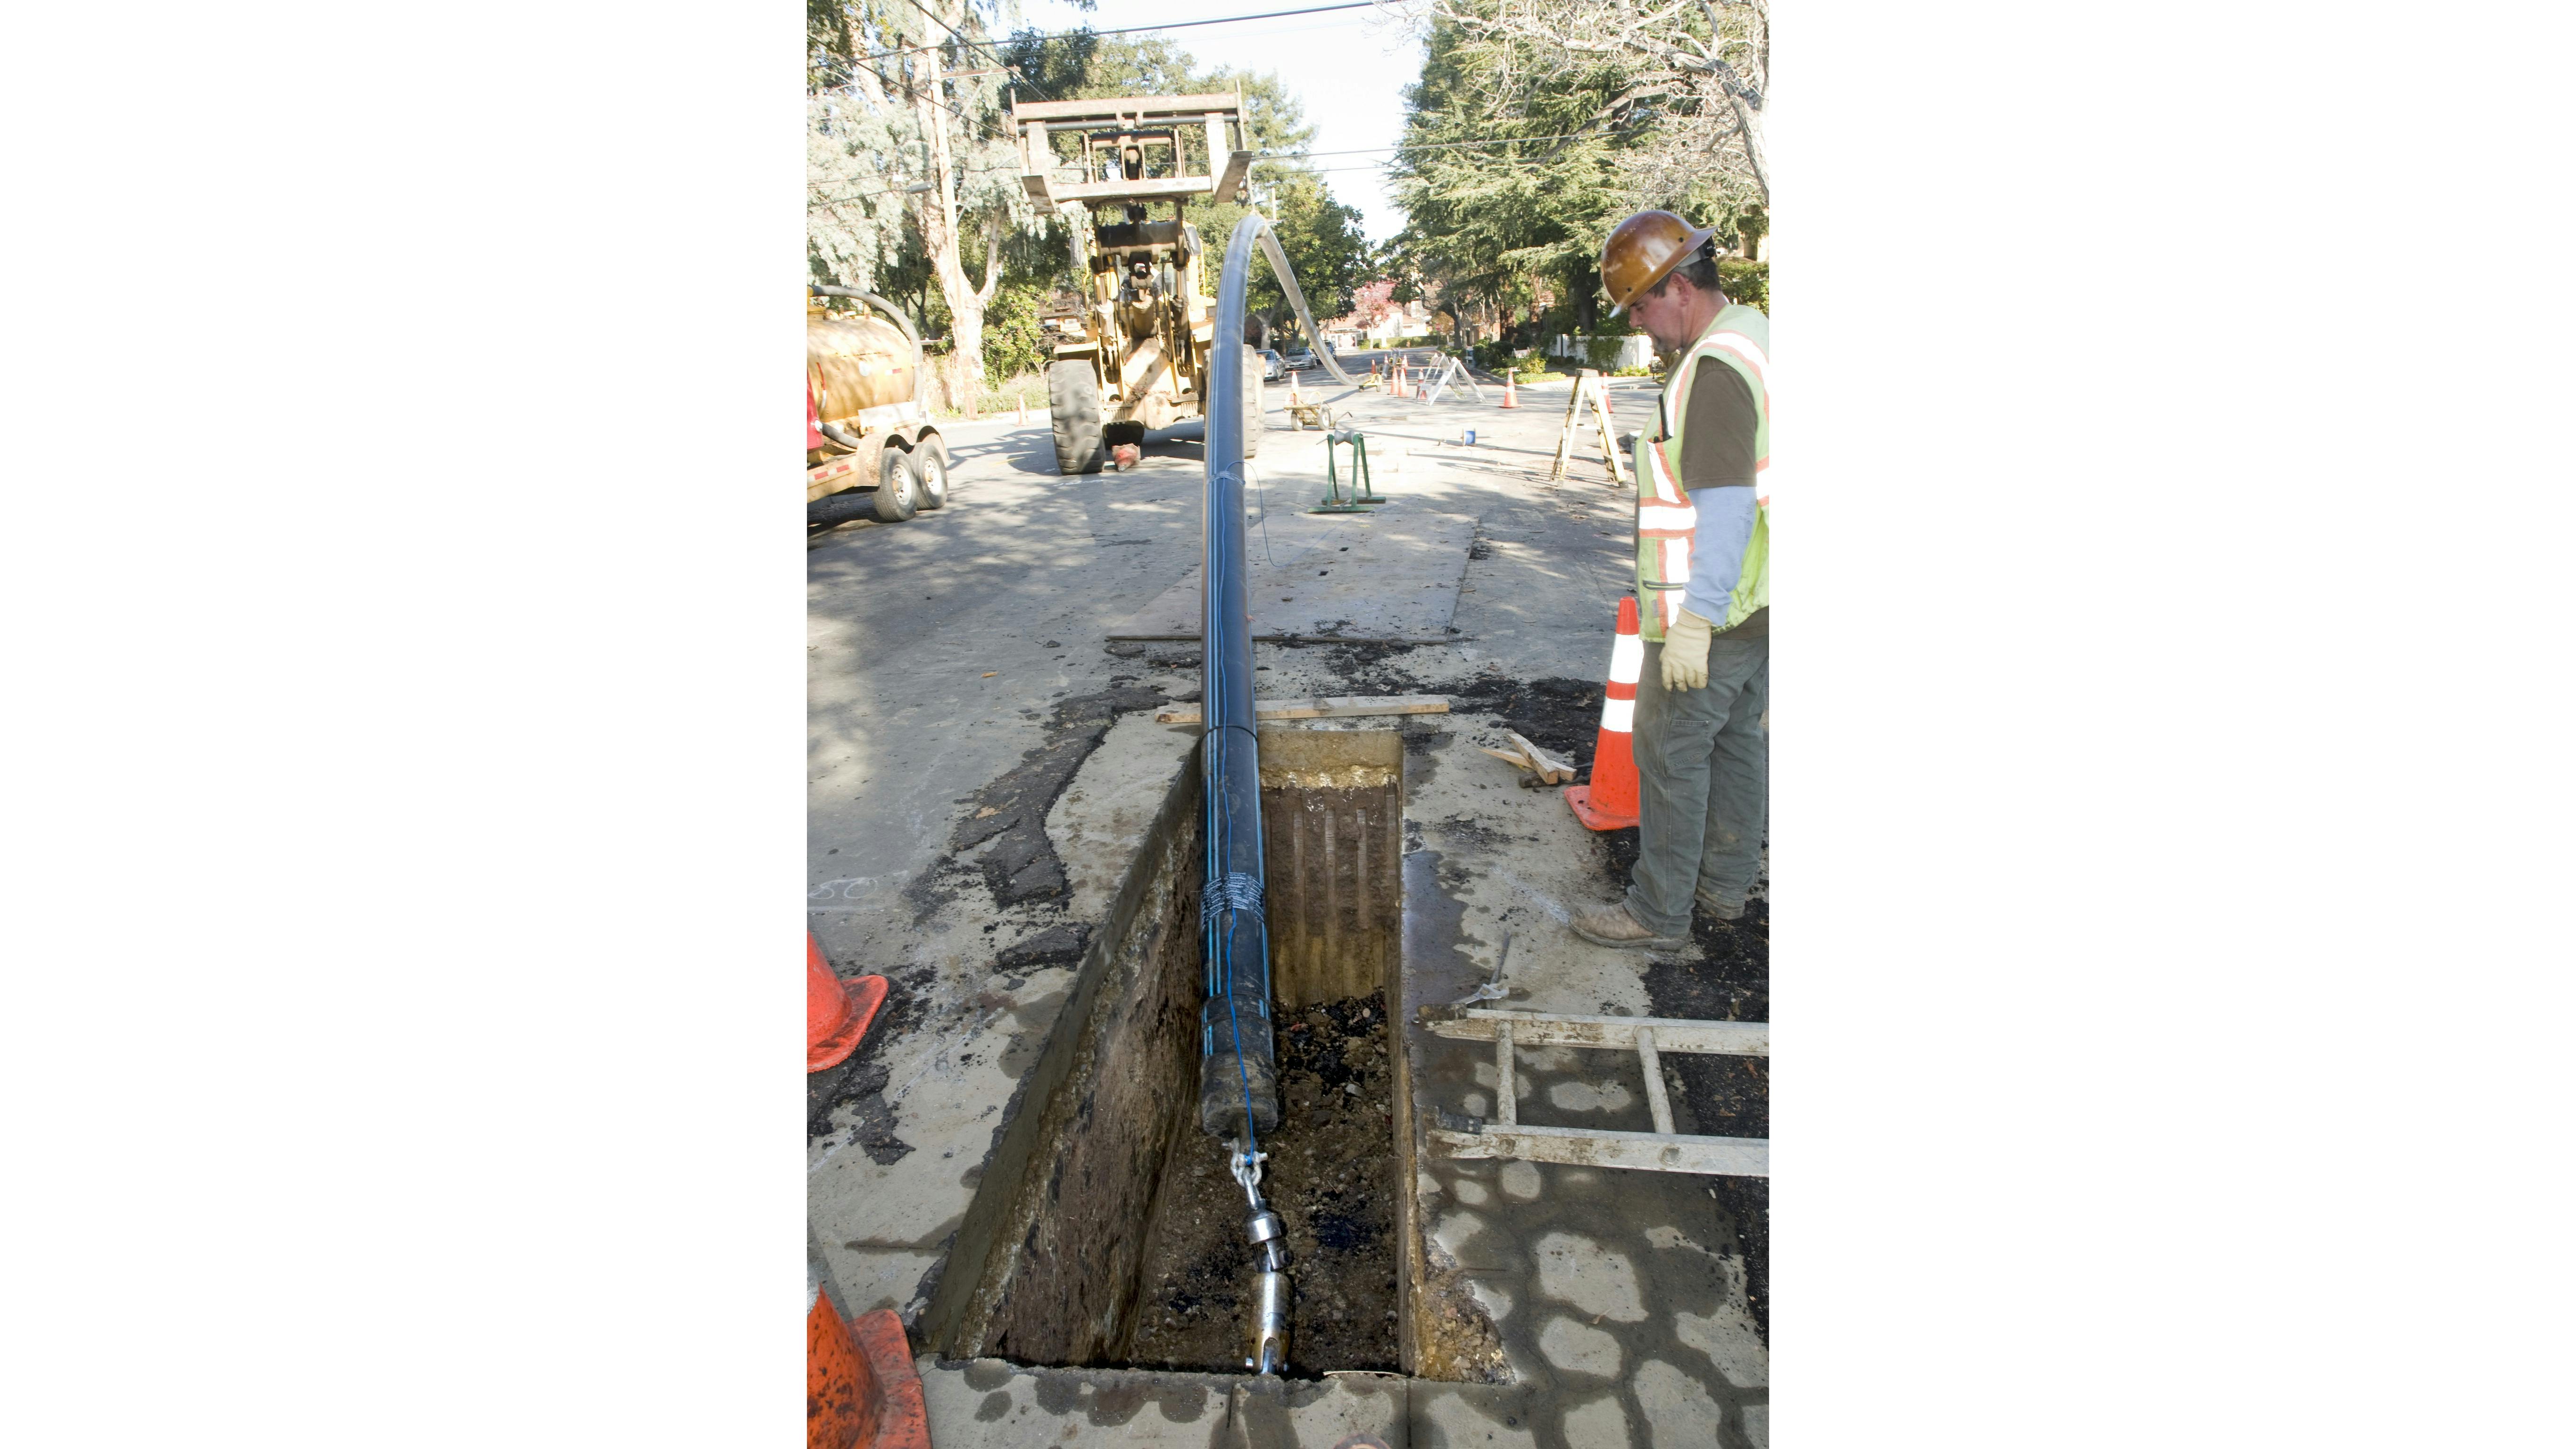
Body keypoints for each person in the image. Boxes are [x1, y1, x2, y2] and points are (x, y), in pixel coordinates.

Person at [1571, 211, 1769, 950]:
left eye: (1640, 305)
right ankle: (1721, 890)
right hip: (1764, 594)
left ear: (1678, 288)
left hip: (1721, 604)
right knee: (1736, 740)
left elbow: (1724, 509)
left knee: (1668, 748)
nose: (1639, 322)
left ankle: (1657, 915)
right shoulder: (1756, 335)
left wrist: (1694, 622)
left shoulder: (1714, 371)